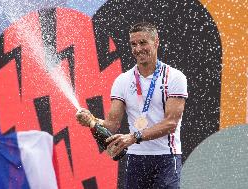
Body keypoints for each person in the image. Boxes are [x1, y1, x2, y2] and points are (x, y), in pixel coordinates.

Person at [76, 22, 188, 189]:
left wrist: (133, 137)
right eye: (133, 44)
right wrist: (91, 121)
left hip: (167, 157)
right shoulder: (123, 81)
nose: (138, 49)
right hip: (136, 158)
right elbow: (111, 125)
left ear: (156, 42)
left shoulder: (175, 77)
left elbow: (171, 124)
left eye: (143, 42)